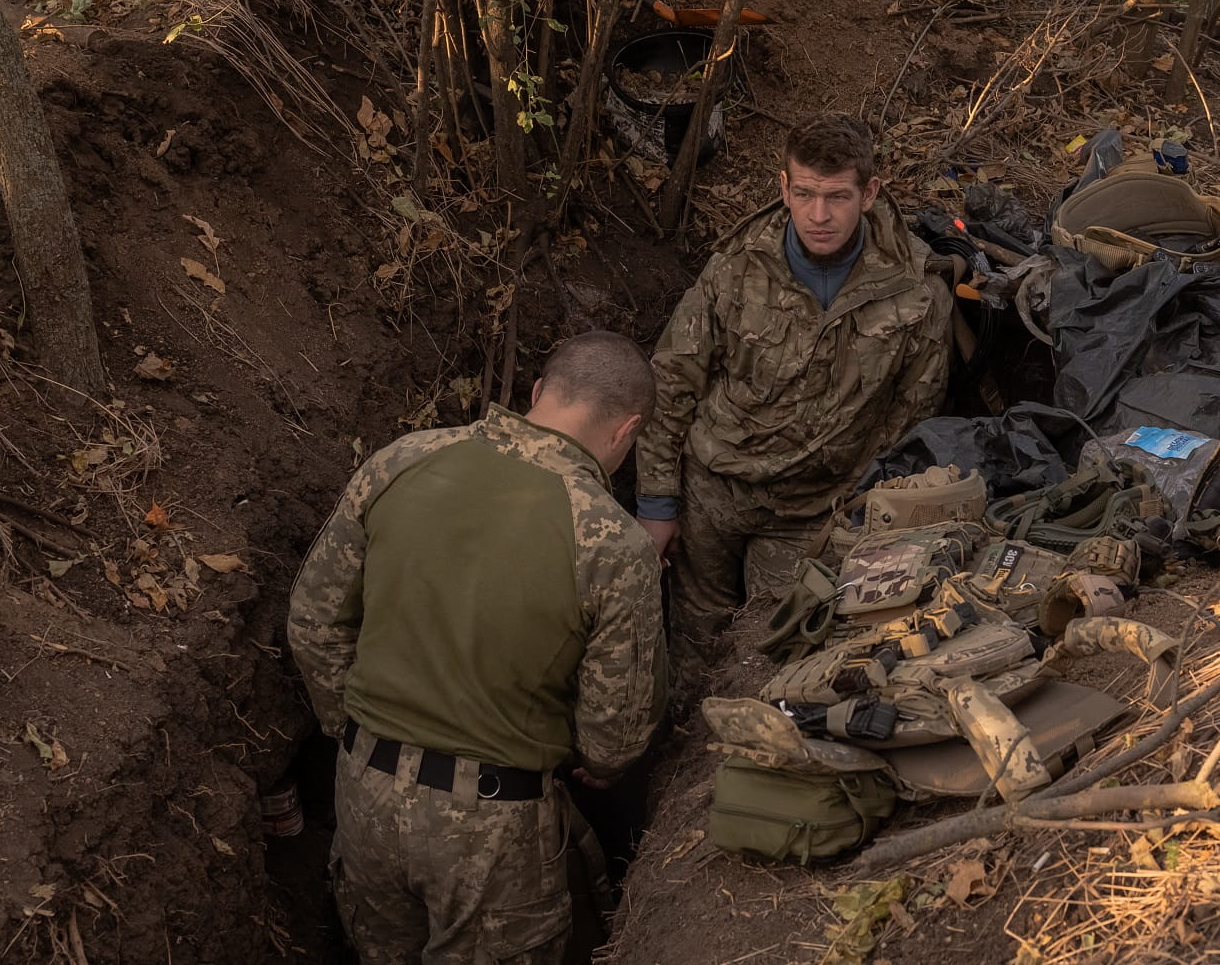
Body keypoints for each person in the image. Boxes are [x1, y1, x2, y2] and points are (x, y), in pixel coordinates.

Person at [288, 331, 665, 965]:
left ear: (539, 392)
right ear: (627, 430)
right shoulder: (613, 542)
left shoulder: (400, 461)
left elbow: (312, 621)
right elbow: (615, 736)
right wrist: (598, 767)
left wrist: (351, 728)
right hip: (494, 830)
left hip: (362, 792)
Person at [634, 112, 952, 682]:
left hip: (812, 510)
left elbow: (912, 415)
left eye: (837, 197)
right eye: (804, 194)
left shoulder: (914, 290)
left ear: (870, 193)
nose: (819, 215)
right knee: (688, 645)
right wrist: (657, 504)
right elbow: (673, 381)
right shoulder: (734, 268)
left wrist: (863, 512)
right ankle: (670, 755)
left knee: (767, 652)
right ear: (783, 187)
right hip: (713, 490)